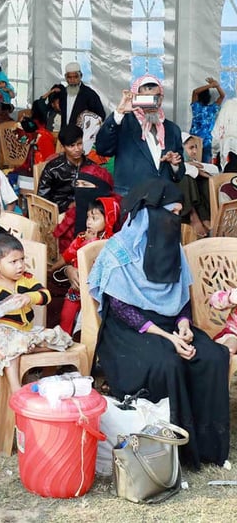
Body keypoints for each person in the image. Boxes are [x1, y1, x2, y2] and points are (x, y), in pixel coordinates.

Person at [88, 179, 230, 469]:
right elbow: (120, 308)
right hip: (130, 331)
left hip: (170, 323)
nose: (175, 221)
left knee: (213, 356)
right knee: (168, 363)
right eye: (172, 212)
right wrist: (168, 338)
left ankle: (207, 447)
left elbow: (181, 297)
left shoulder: (172, 248)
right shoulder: (119, 250)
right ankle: (175, 449)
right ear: (151, 214)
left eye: (179, 213)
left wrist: (184, 325)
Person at [0, 233, 72, 376]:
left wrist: (29, 297)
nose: (20, 266)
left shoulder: (27, 279)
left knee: (61, 339)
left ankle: (34, 359)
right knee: (9, 346)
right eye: (13, 262)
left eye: (22, 260)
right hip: (0, 337)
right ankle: (16, 389)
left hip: (25, 333)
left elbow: (46, 295)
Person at [94, 74, 183, 196]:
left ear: (161, 99)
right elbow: (102, 148)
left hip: (162, 199)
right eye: (146, 98)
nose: (153, 103)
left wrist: (175, 165)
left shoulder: (172, 130)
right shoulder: (123, 123)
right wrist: (119, 113)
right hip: (131, 199)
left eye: (156, 97)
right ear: (136, 99)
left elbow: (180, 173)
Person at [58, 196, 120, 334]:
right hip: (76, 289)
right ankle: (62, 342)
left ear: (109, 219)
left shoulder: (111, 243)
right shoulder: (81, 237)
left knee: (88, 324)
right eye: (88, 217)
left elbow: (95, 261)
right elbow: (69, 254)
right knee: (65, 317)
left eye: (95, 218)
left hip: (95, 294)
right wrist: (53, 268)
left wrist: (90, 243)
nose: (89, 222)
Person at [37, 124, 86, 213]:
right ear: (63, 147)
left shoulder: (91, 166)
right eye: (72, 146)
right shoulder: (53, 169)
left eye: (79, 144)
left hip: (85, 212)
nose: (77, 149)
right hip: (58, 213)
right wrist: (67, 205)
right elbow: (42, 199)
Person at [178, 132, 217, 238]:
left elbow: (215, 170)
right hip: (177, 198)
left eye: (195, 147)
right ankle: (193, 216)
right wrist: (189, 168)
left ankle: (206, 217)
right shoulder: (171, 159)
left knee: (204, 181)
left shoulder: (193, 162)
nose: (195, 151)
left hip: (195, 200)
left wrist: (198, 169)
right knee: (186, 178)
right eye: (191, 148)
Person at [56, 62, 106, 130]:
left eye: (75, 77)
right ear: (66, 78)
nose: (72, 80)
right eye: (69, 77)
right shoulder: (63, 93)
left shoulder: (89, 94)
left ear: (81, 76)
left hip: (82, 136)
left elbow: (100, 115)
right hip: (65, 135)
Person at [190, 77, 226, 162]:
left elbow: (195, 92)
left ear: (199, 97)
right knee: (206, 167)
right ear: (209, 97)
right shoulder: (213, 109)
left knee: (194, 165)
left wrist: (210, 86)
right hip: (208, 142)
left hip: (195, 140)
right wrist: (216, 86)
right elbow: (222, 96)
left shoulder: (196, 107)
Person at [208, 288, 237, 354]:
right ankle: (224, 355)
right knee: (231, 346)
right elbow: (215, 300)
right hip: (233, 333)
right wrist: (229, 298)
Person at [212, 98, 237, 171]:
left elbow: (217, 133)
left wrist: (214, 153)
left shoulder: (229, 105)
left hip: (230, 153)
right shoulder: (229, 105)